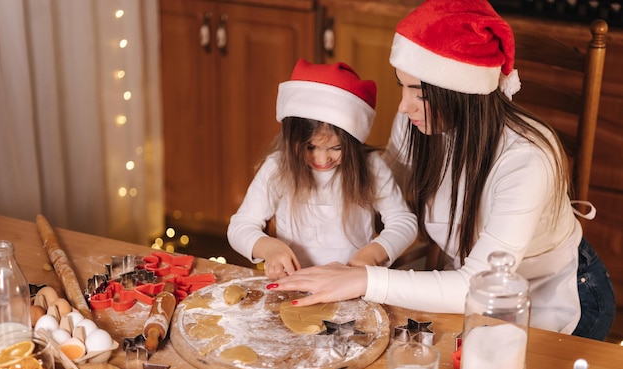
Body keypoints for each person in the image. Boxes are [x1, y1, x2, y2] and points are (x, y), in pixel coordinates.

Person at [268, 0, 616, 341]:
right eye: (401, 85)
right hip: (459, 283)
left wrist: (363, 279)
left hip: (549, 297)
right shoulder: (418, 123)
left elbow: (476, 283)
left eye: (418, 93)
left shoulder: (526, 159)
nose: (403, 106)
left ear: (460, 92)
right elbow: (378, 196)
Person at [227, 59, 418, 279]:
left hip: (352, 284)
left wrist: (373, 254)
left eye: (336, 148)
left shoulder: (371, 167)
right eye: (310, 147)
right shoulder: (278, 167)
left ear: (354, 142)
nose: (322, 158)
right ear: (291, 141)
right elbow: (240, 227)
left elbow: (404, 222)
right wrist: (269, 248)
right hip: (295, 284)